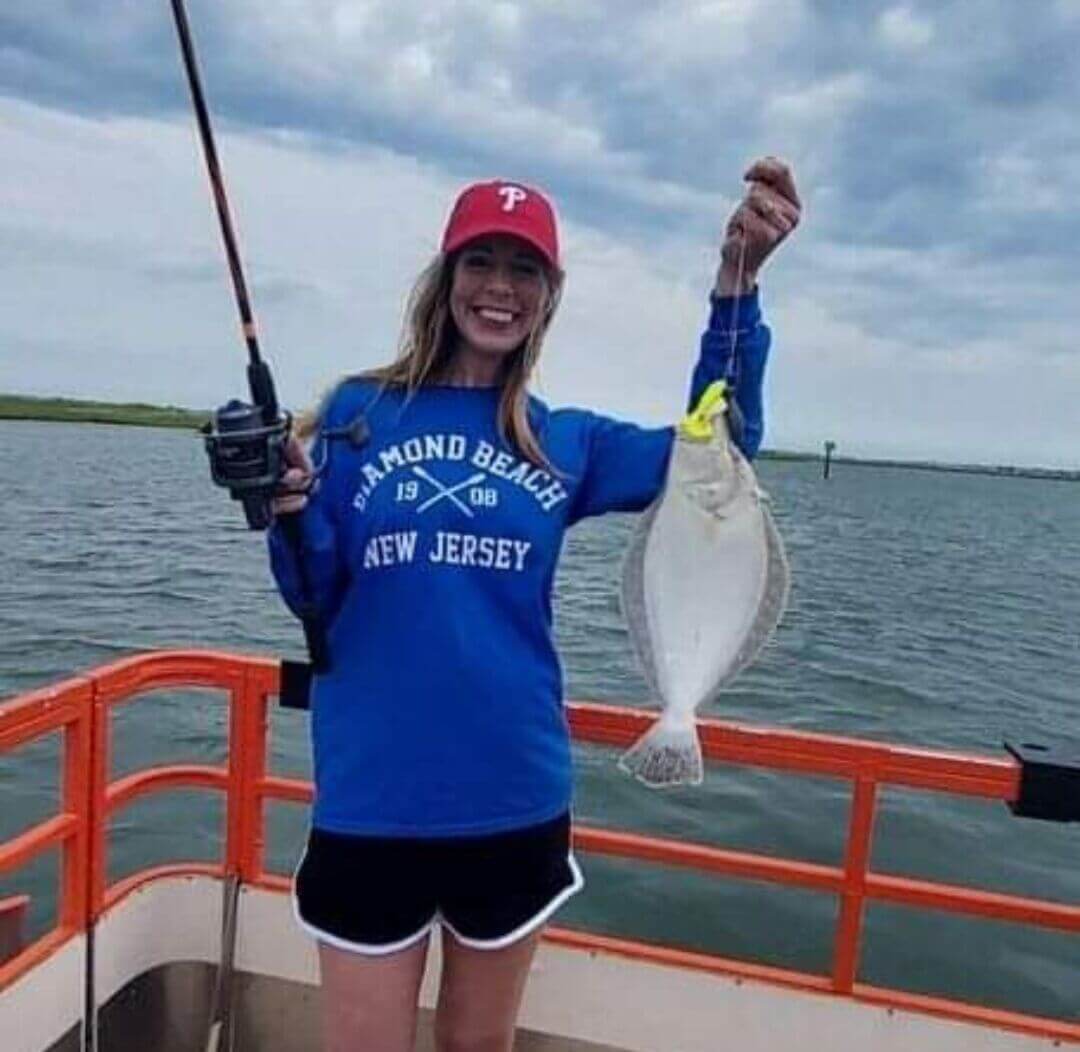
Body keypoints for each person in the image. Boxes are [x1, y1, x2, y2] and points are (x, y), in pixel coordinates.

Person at [267, 158, 800, 1052]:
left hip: (511, 796)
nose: (499, 289)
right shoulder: (358, 416)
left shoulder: (567, 441)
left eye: (525, 270)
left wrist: (736, 287)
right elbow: (311, 590)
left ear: (548, 297)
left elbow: (722, 443)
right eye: (481, 262)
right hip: (372, 797)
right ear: (445, 280)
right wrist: (282, 506)